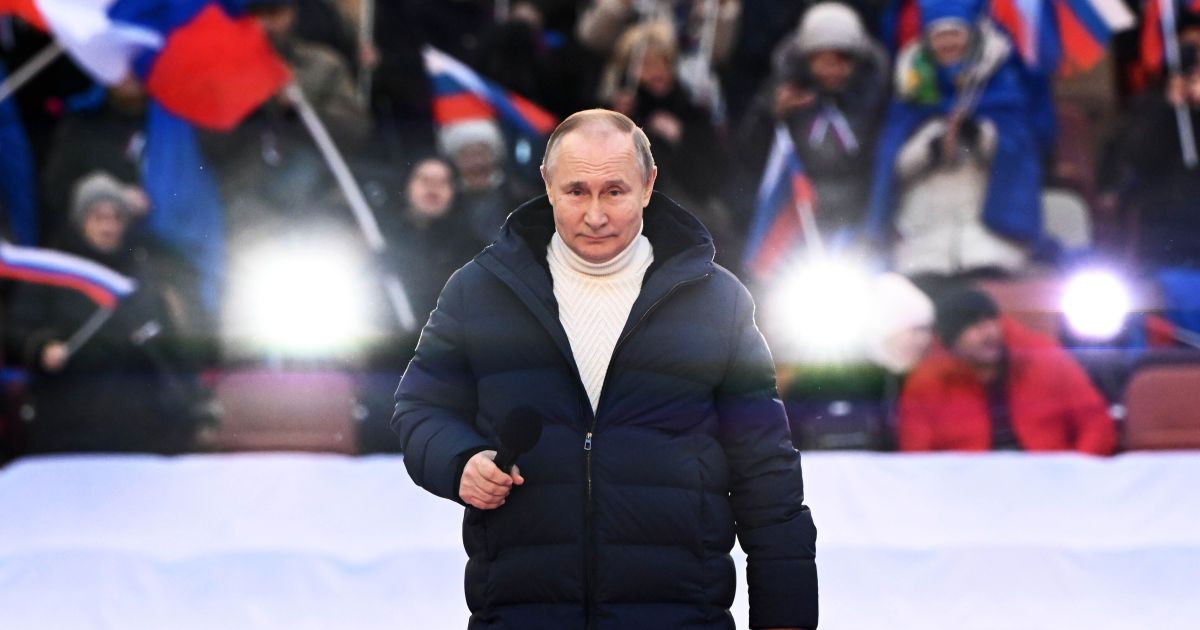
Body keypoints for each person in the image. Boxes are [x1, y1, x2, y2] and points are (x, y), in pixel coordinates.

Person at [392, 109, 817, 629]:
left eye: (614, 191)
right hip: (523, 615)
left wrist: (787, 621)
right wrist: (459, 462)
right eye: (576, 191)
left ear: (648, 185)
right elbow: (420, 409)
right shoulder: (477, 291)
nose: (595, 215)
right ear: (547, 185)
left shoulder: (718, 302)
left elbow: (767, 476)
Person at [4, 172, 208, 455]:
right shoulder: (53, 271)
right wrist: (41, 347)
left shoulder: (137, 275)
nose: (108, 226)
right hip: (68, 428)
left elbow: (170, 349)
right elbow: (15, 330)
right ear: (80, 221)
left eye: (116, 218)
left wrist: (195, 405)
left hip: (138, 430)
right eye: (98, 217)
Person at [863, 0, 1055, 279]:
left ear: (971, 35)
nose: (947, 44)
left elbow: (1020, 155)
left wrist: (976, 136)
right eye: (939, 36)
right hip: (923, 244)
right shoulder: (910, 90)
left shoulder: (1001, 87)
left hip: (990, 241)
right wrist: (932, 147)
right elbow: (893, 166)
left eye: (954, 34)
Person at [737, 2, 890, 244]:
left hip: (856, 218)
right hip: (799, 218)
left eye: (840, 61)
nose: (831, 70)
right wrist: (771, 115)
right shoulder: (786, 96)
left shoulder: (873, 101)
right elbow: (750, 154)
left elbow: (883, 159)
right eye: (822, 61)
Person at [897, 288, 1117, 454]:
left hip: (1050, 484)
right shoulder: (926, 382)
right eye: (974, 326)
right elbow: (917, 457)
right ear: (950, 343)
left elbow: (1095, 422)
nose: (989, 333)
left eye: (991, 321)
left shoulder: (1045, 356)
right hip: (968, 492)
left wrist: (1076, 472)